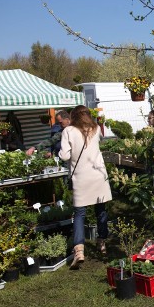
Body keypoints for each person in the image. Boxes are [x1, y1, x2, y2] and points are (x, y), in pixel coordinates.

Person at [59, 105, 113, 268]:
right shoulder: (96, 129)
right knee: (101, 209)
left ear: (73, 116)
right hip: (98, 175)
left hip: (81, 177)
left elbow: (64, 155)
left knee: (80, 213)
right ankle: (102, 242)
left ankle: (79, 251)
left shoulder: (68, 131)